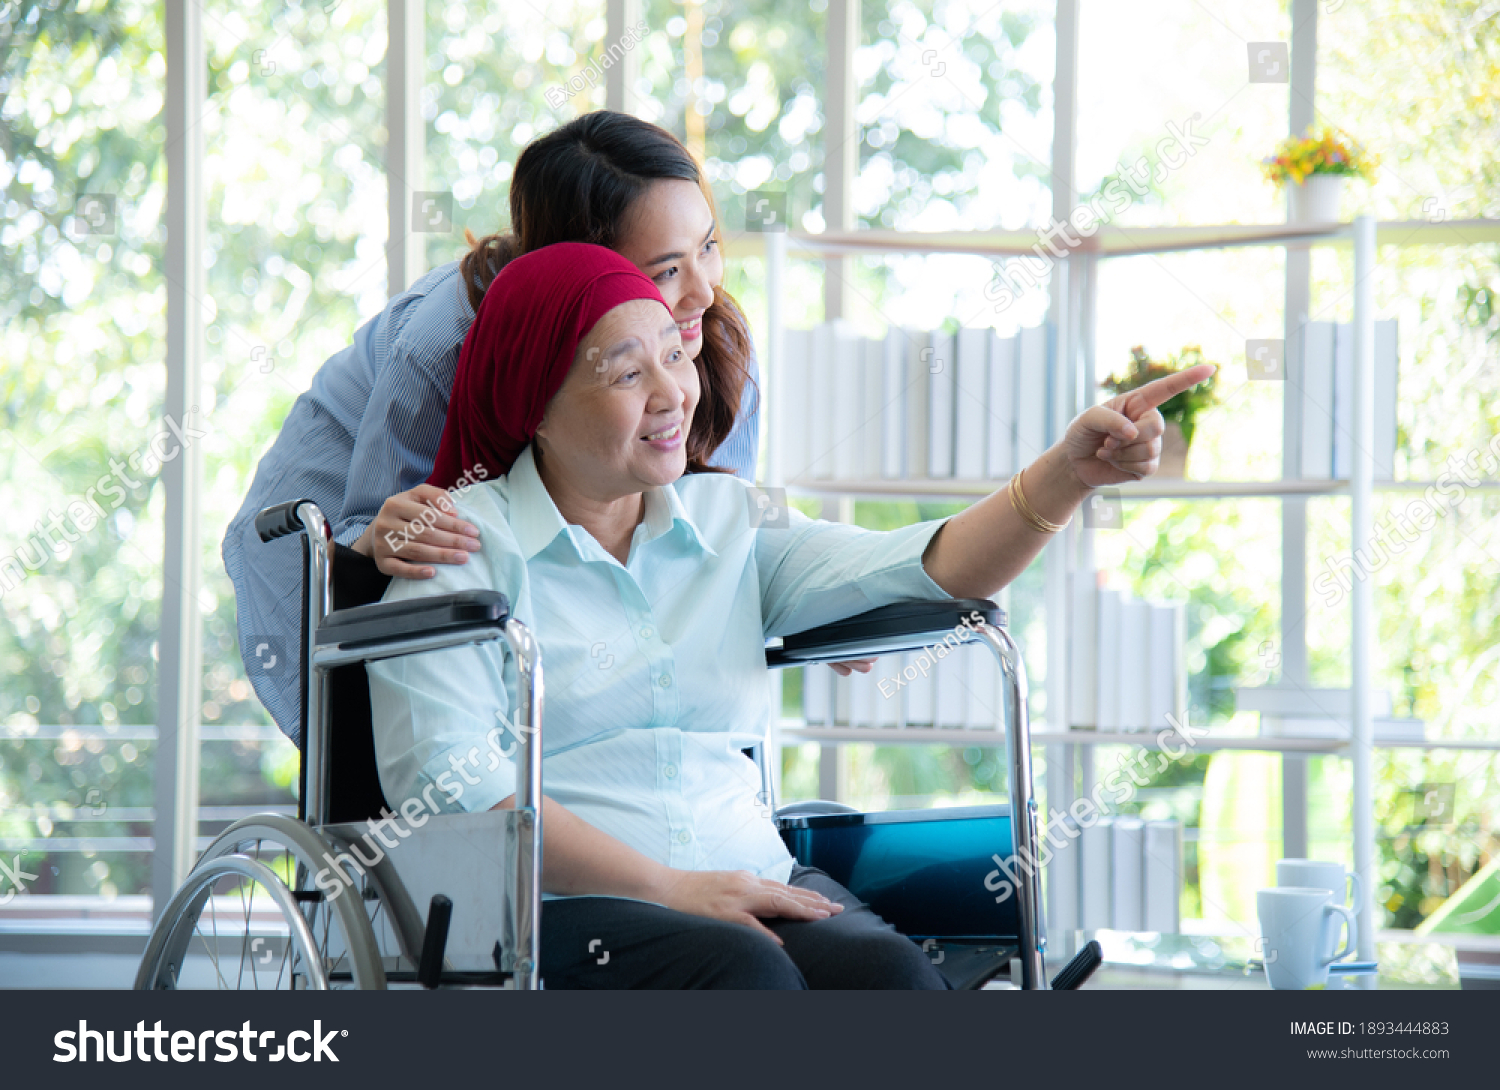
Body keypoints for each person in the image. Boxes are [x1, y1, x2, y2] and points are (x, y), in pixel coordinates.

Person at [366, 242, 1215, 989]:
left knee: (887, 975)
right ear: (534, 404)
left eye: (675, 354)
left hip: (749, 875)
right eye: (627, 373)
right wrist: (672, 887)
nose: (672, 394)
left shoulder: (728, 522)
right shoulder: (454, 549)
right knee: (744, 975)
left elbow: (922, 567)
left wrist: (1069, 475)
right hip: (551, 910)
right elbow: (461, 792)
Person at [223, 111, 778, 746]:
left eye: (708, 246)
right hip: (324, 527)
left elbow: (724, 534)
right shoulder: (442, 345)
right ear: (575, 270)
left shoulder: (717, 339)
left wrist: (810, 596)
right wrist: (373, 543)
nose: (705, 291)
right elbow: (367, 537)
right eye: (666, 271)